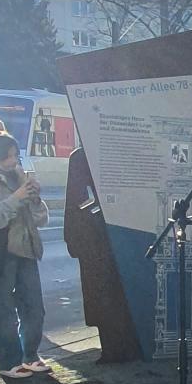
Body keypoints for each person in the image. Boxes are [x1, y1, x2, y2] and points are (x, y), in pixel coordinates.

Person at [0, 130, 50, 379]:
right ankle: (8, 360)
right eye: (7, 157)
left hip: (27, 248)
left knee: (34, 306)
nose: (12, 162)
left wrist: (34, 198)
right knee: (4, 308)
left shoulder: (20, 177)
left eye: (15, 156)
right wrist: (16, 198)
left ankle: (30, 354)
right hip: (3, 251)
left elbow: (41, 219)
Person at [64, 146, 141, 364]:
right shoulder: (97, 154)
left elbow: (74, 201)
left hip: (95, 238)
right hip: (108, 237)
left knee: (103, 296)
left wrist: (73, 238)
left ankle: (112, 349)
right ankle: (122, 347)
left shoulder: (83, 156)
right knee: (112, 295)